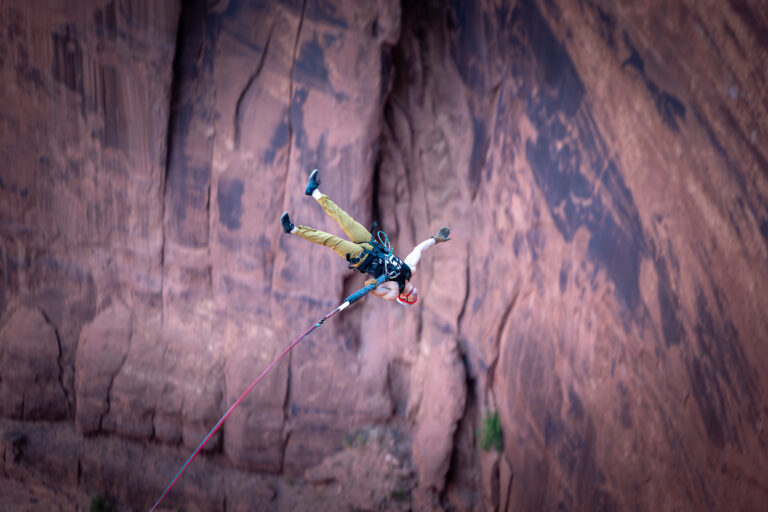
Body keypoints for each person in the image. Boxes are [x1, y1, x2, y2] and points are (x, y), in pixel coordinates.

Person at [280, 169, 450, 305]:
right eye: (416, 298)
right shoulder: (409, 270)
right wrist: (435, 239)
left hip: (363, 258)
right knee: (344, 219)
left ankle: (293, 229)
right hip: (372, 245)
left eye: (412, 301)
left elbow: (374, 290)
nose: (415, 296)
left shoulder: (394, 291)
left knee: (331, 240)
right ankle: (314, 191)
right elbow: (418, 250)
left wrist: (373, 285)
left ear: (404, 299)